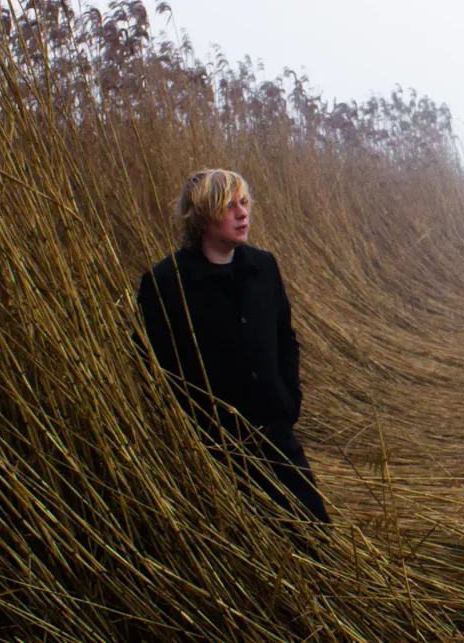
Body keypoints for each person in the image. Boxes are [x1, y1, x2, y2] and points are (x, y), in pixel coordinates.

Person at [136, 169, 330, 527]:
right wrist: (188, 430)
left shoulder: (264, 267)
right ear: (201, 216)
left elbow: (285, 340)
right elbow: (153, 366)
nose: (243, 213)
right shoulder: (165, 283)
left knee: (313, 531)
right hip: (212, 446)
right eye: (229, 206)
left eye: (244, 202)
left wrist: (289, 400)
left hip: (274, 432)